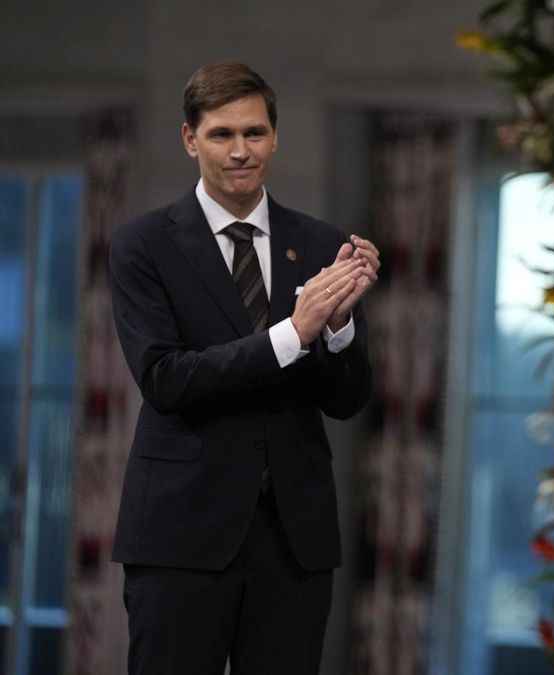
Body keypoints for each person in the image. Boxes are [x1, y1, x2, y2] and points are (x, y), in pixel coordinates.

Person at [108, 60, 379, 675]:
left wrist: (337, 326)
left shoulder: (319, 242)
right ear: (189, 139)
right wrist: (294, 331)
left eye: (254, 133)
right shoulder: (142, 244)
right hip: (182, 534)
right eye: (221, 135)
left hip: (293, 539)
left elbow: (345, 400)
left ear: (275, 137)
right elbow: (166, 380)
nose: (240, 151)